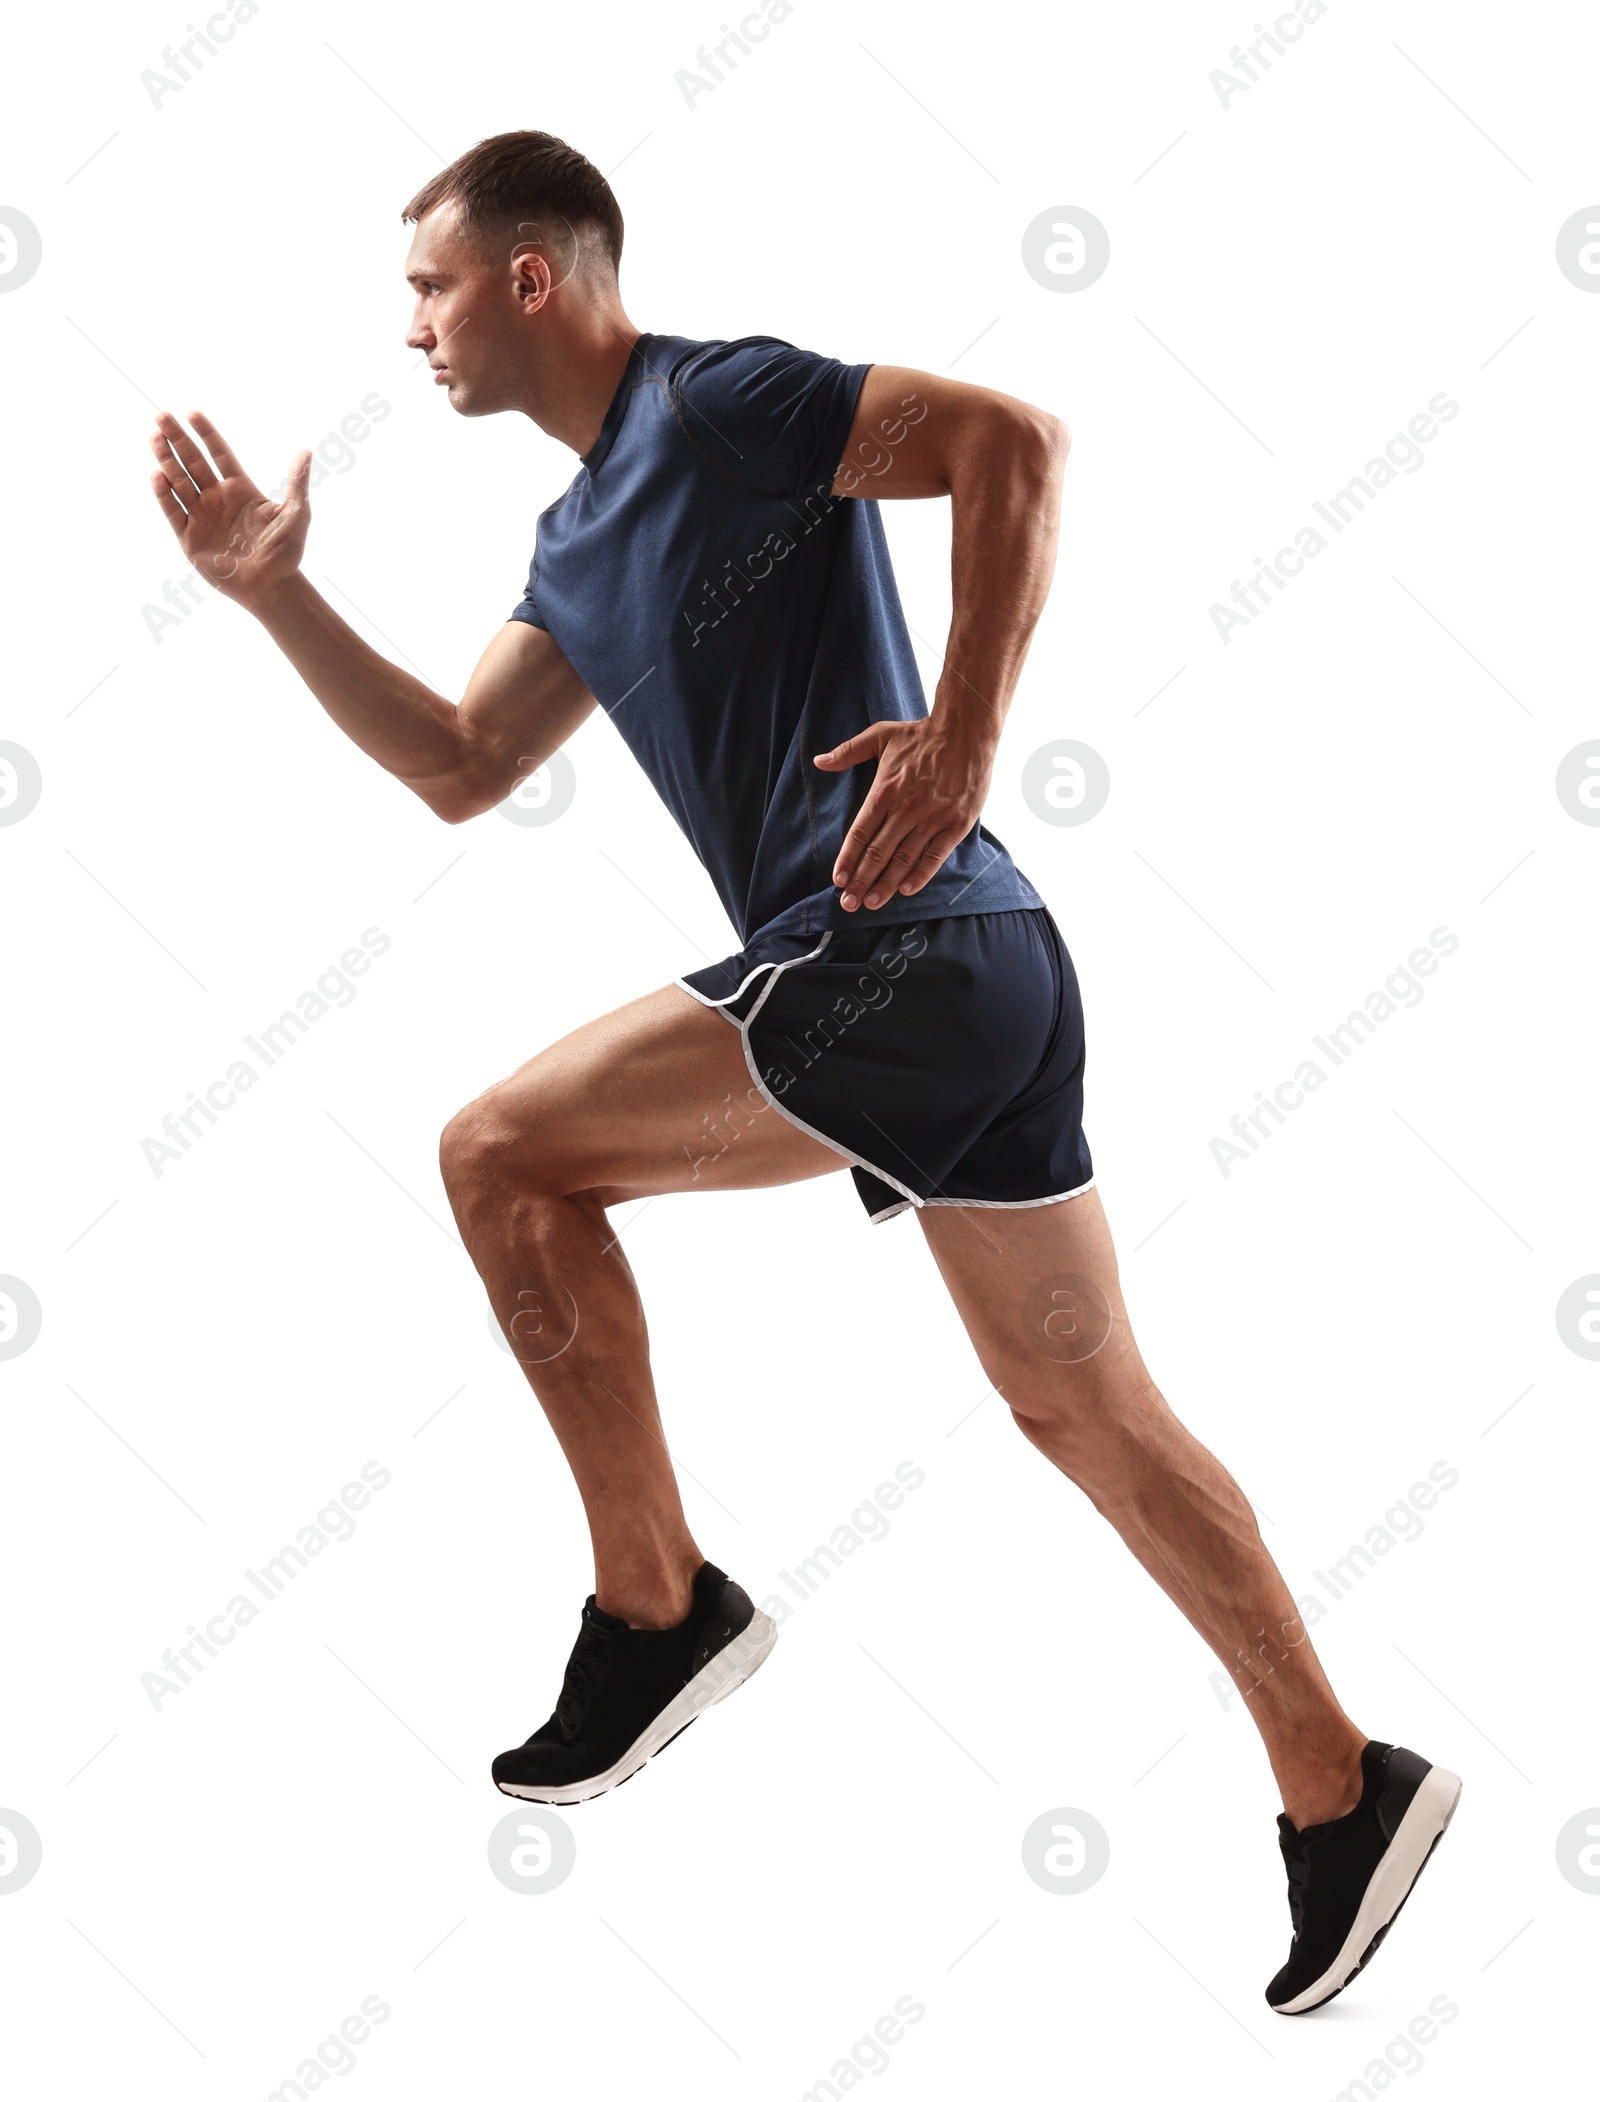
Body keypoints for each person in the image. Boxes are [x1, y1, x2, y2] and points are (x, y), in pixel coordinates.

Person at [146, 129, 1459, 2015]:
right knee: (1088, 1413)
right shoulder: (577, 540)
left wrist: (968, 732)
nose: (411, 329)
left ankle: (660, 1608)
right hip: (969, 984)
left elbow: (1012, 440)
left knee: (501, 1155)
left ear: (534, 276)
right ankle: (1342, 1787)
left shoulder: (722, 398)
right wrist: (274, 595)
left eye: (431, 287)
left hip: (899, 955)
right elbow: (453, 758)